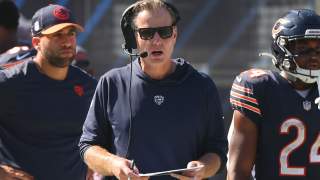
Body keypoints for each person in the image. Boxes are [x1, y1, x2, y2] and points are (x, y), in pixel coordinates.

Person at [79, 0, 228, 179]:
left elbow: (218, 152)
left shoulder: (202, 86)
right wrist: (114, 164)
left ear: (174, 34)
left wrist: (203, 168)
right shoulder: (111, 83)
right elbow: (88, 147)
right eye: (147, 33)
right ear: (134, 37)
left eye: (164, 32)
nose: (157, 41)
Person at [0, 4, 97, 180]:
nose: (67, 41)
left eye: (71, 33)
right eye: (57, 35)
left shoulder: (88, 86)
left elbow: (101, 134)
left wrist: (94, 162)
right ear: (36, 42)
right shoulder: (9, 82)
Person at [227, 9, 320, 180]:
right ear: (282, 49)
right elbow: (238, 171)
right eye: (303, 48)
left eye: (318, 48)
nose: (313, 56)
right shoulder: (260, 89)